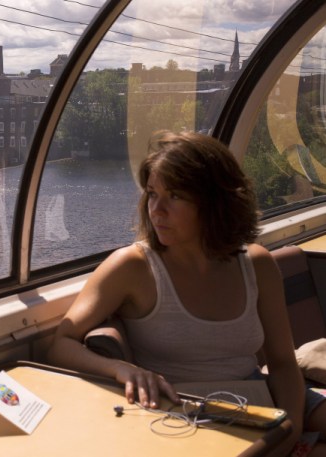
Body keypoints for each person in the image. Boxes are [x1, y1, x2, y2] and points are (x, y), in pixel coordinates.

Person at [47, 130, 326, 455]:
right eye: (152, 194)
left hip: (260, 395)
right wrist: (123, 370)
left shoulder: (256, 264)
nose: (157, 210)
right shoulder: (133, 266)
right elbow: (61, 345)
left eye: (175, 195)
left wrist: (288, 429)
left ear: (214, 201)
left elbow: (282, 363)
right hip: (186, 408)